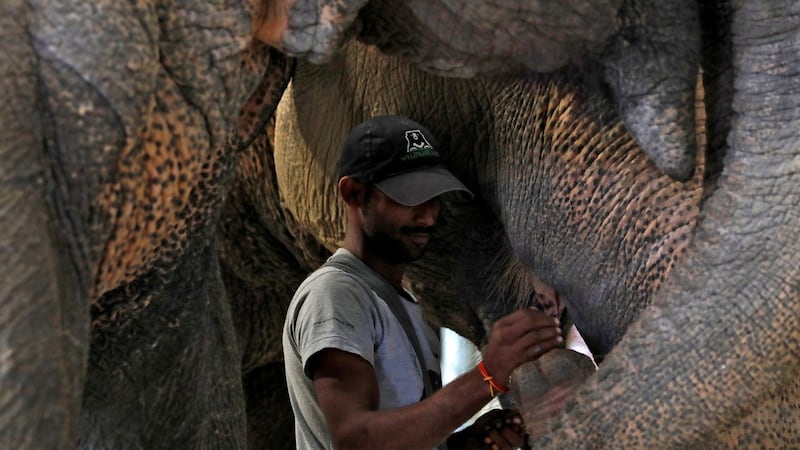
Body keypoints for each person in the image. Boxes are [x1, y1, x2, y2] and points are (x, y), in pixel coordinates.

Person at [282, 115, 564, 450]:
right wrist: (489, 374)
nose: (428, 216)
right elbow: (355, 439)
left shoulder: (402, 302)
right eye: (409, 197)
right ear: (354, 193)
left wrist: (466, 443)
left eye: (434, 197)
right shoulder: (336, 293)